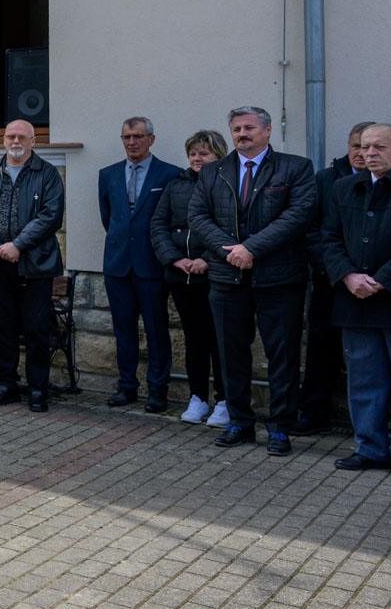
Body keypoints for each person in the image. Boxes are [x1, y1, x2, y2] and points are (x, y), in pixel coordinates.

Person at [187, 106, 317, 456]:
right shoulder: (213, 171)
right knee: (231, 355)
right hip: (227, 278)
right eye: (236, 129)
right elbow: (197, 216)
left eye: (249, 128)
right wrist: (231, 251)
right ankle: (240, 422)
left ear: (268, 130)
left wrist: (252, 249)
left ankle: (280, 428)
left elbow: (298, 215)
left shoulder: (295, 168)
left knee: (283, 356)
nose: (242, 134)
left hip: (279, 280)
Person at [320, 123, 391, 480]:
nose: (369, 153)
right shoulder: (344, 187)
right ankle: (370, 449)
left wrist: (383, 279)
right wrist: (347, 275)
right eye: (363, 146)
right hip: (355, 299)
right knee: (363, 379)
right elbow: (328, 238)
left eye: (379, 146)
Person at [0, 119, 66, 412]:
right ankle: (6, 385)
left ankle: (38, 389)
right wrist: (0, 248)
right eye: (11, 136)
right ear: (3, 140)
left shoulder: (47, 174)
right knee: (3, 327)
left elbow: (50, 217)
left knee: (37, 329)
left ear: (33, 141)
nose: (16, 141)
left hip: (36, 266)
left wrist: (18, 245)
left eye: (22, 137)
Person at [98, 116, 182, 411]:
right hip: (118, 265)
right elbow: (109, 218)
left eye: (138, 136)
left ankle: (158, 390)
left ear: (151, 139)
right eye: (127, 137)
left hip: (152, 264)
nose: (132, 142)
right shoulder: (108, 174)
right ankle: (127, 387)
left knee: (157, 331)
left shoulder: (170, 174)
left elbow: (172, 219)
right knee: (124, 331)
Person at [298, 122, 375, 434]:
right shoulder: (326, 179)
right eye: (355, 146)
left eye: (367, 147)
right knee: (321, 349)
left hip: (374, 286)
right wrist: (336, 272)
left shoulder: (390, 180)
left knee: (371, 356)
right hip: (329, 282)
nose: (361, 153)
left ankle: (373, 426)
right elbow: (312, 230)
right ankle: (313, 415)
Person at [150, 129, 230, 425]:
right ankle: (198, 398)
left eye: (204, 153)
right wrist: (174, 258)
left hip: (215, 275)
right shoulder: (176, 185)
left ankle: (224, 400)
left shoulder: (228, 185)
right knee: (194, 339)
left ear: (219, 155)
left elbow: (232, 227)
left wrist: (207, 259)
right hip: (181, 276)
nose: (197, 158)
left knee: (219, 340)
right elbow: (158, 224)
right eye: (193, 153)